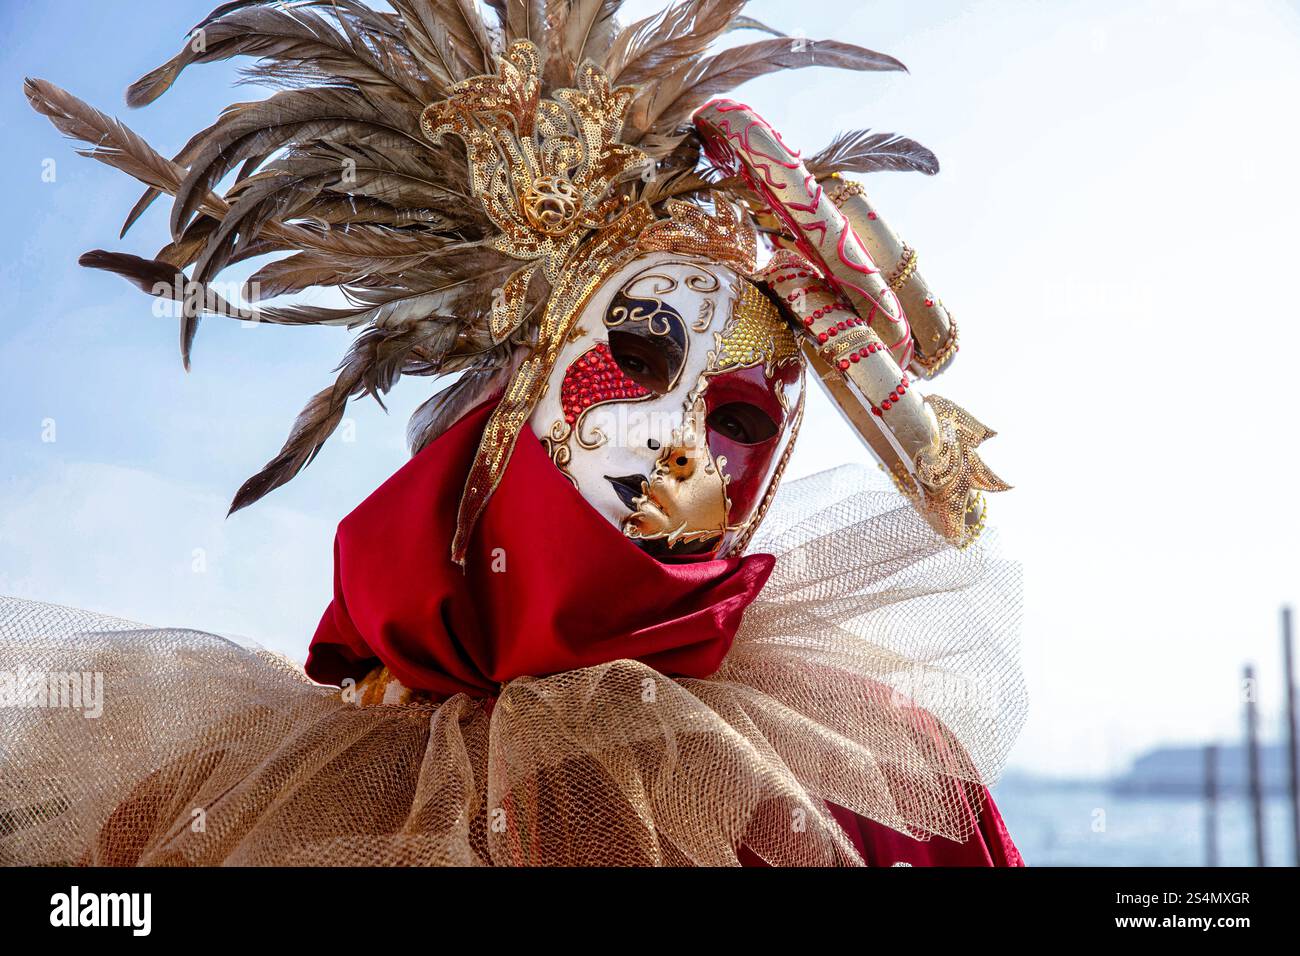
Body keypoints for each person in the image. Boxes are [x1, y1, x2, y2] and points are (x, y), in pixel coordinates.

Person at [4, 0, 1024, 867]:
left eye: (743, 418)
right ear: (518, 387)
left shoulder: (875, 779)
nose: (685, 443)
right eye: (640, 355)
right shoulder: (227, 788)